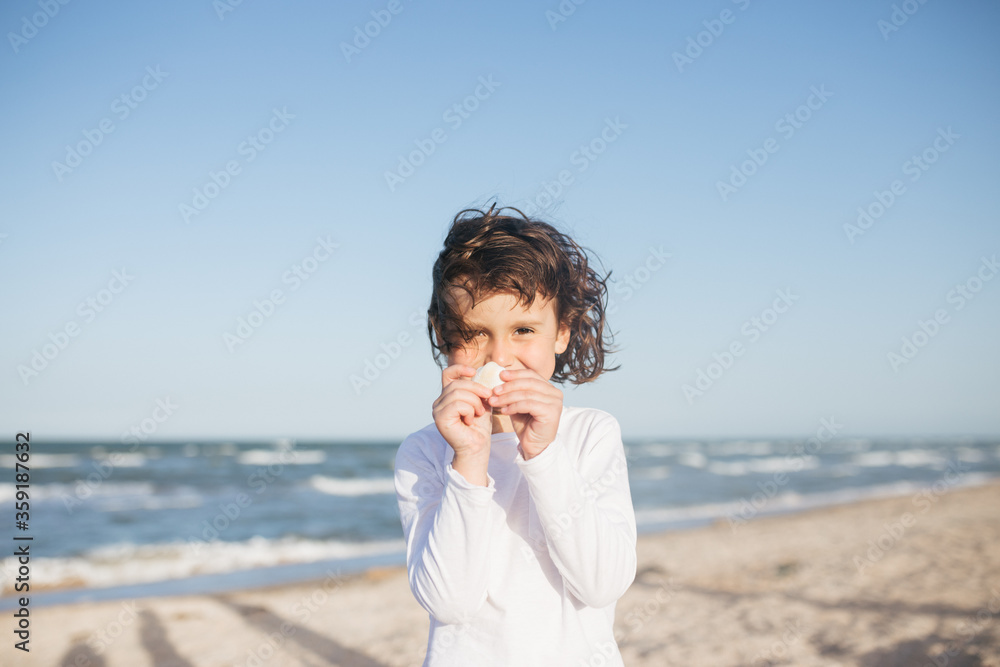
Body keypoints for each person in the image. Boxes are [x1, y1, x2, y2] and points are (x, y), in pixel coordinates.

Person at [394, 203, 637, 666]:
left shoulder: (591, 435)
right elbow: (449, 602)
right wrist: (468, 459)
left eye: (523, 329)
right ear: (444, 338)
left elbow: (602, 584)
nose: (499, 357)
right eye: (474, 334)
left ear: (561, 332)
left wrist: (543, 454)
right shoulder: (424, 452)